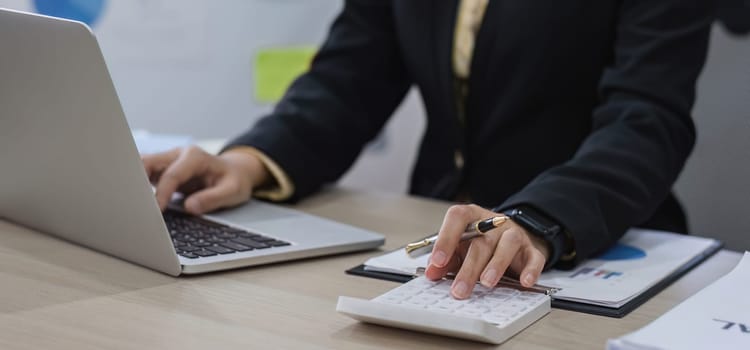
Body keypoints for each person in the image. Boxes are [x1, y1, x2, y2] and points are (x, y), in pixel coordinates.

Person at [143, 0, 714, 299]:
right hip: (433, 248)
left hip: (592, 239)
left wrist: (539, 218)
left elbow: (646, 118)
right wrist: (249, 162)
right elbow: (350, 77)